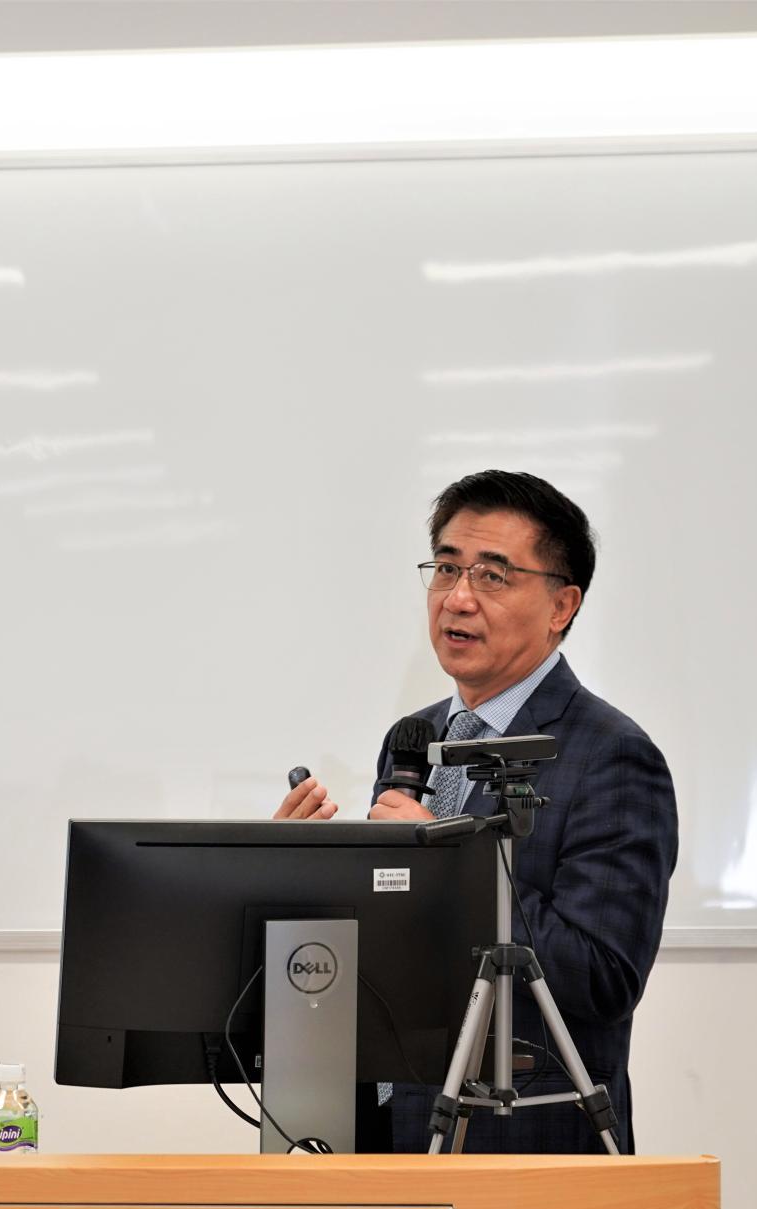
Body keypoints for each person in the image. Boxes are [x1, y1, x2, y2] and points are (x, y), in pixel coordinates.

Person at [273, 470, 677, 1154]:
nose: (457, 598)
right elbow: (399, 943)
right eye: (446, 569)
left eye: (493, 575)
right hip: (390, 1133)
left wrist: (448, 862)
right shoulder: (415, 738)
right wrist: (301, 877)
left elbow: (602, 977)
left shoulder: (610, 755)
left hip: (523, 1146)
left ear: (561, 605)